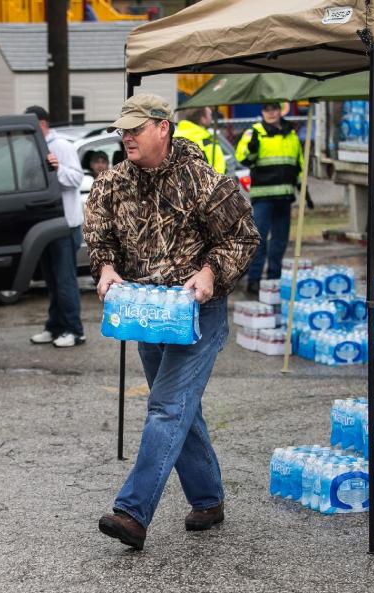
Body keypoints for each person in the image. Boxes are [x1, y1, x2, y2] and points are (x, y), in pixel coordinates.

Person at [85, 94, 259, 550]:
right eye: (122, 129)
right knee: (182, 410)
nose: (126, 137)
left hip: (197, 314)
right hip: (145, 315)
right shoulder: (112, 183)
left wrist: (210, 272)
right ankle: (208, 499)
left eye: (135, 128)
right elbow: (98, 234)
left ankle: (133, 513)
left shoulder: (205, 182)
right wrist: (104, 268)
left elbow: (244, 236)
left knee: (165, 406)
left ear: (163, 127)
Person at [24, 105, 86, 348]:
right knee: (51, 279)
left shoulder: (61, 146)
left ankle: (74, 330)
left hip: (65, 225)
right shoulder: (33, 147)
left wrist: (57, 168)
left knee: (65, 279)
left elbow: (76, 178)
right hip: (45, 225)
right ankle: (54, 326)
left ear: (41, 124)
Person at [235, 102, 307, 294]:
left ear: (280, 110)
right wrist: (252, 148)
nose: (271, 113)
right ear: (262, 112)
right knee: (259, 241)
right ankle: (254, 280)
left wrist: (302, 186)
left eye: (274, 109)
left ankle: (274, 280)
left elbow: (297, 161)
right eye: (267, 109)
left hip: (284, 196)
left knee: (280, 242)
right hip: (263, 196)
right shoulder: (254, 132)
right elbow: (242, 157)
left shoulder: (290, 132)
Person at [173, 106, 227, 174]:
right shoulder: (206, 141)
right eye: (210, 115)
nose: (211, 118)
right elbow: (219, 170)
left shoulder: (174, 136)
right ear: (202, 119)